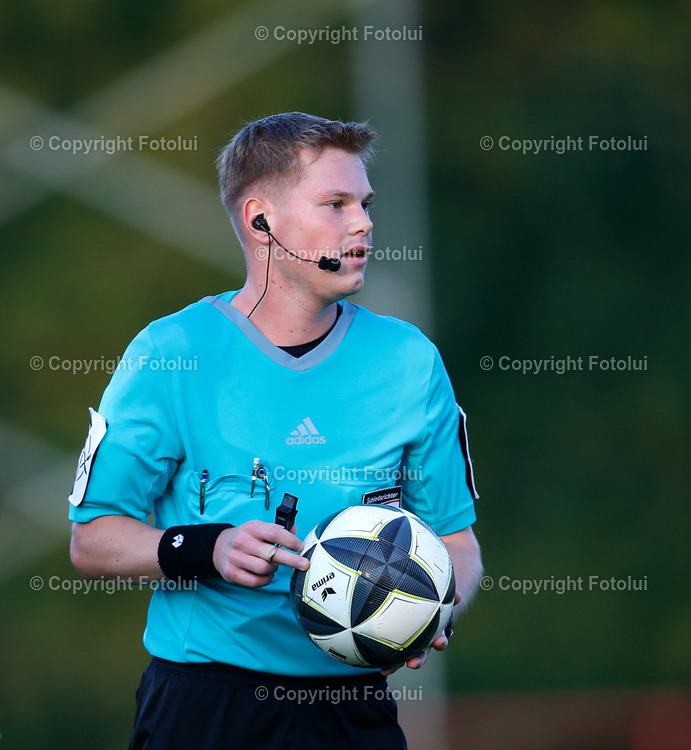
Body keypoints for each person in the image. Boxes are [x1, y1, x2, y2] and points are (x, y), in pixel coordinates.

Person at [67, 112, 483, 749]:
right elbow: (93, 541)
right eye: (335, 203)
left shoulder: (408, 360)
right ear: (262, 220)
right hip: (204, 705)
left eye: (364, 204)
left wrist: (434, 608)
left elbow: (458, 542)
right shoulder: (170, 353)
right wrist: (209, 548)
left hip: (353, 710)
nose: (364, 223)